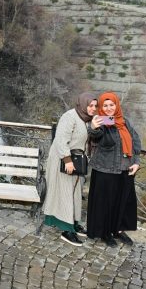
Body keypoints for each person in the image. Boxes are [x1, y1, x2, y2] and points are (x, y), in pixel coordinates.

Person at [86, 91, 142, 247]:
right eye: (105, 105)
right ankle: (104, 232)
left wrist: (136, 162)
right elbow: (95, 135)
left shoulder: (124, 122)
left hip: (125, 169)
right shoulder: (102, 121)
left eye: (112, 105)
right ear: (101, 107)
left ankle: (117, 230)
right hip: (106, 170)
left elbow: (136, 143)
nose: (109, 108)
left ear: (117, 105)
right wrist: (93, 128)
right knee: (105, 204)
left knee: (122, 203)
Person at [43, 92, 97, 246]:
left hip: (78, 162)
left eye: (95, 106)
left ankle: (73, 223)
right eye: (90, 105)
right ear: (82, 104)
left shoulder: (87, 120)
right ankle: (67, 230)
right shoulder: (70, 117)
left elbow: (111, 120)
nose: (93, 108)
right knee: (66, 193)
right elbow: (60, 140)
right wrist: (67, 160)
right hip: (64, 160)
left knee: (75, 193)